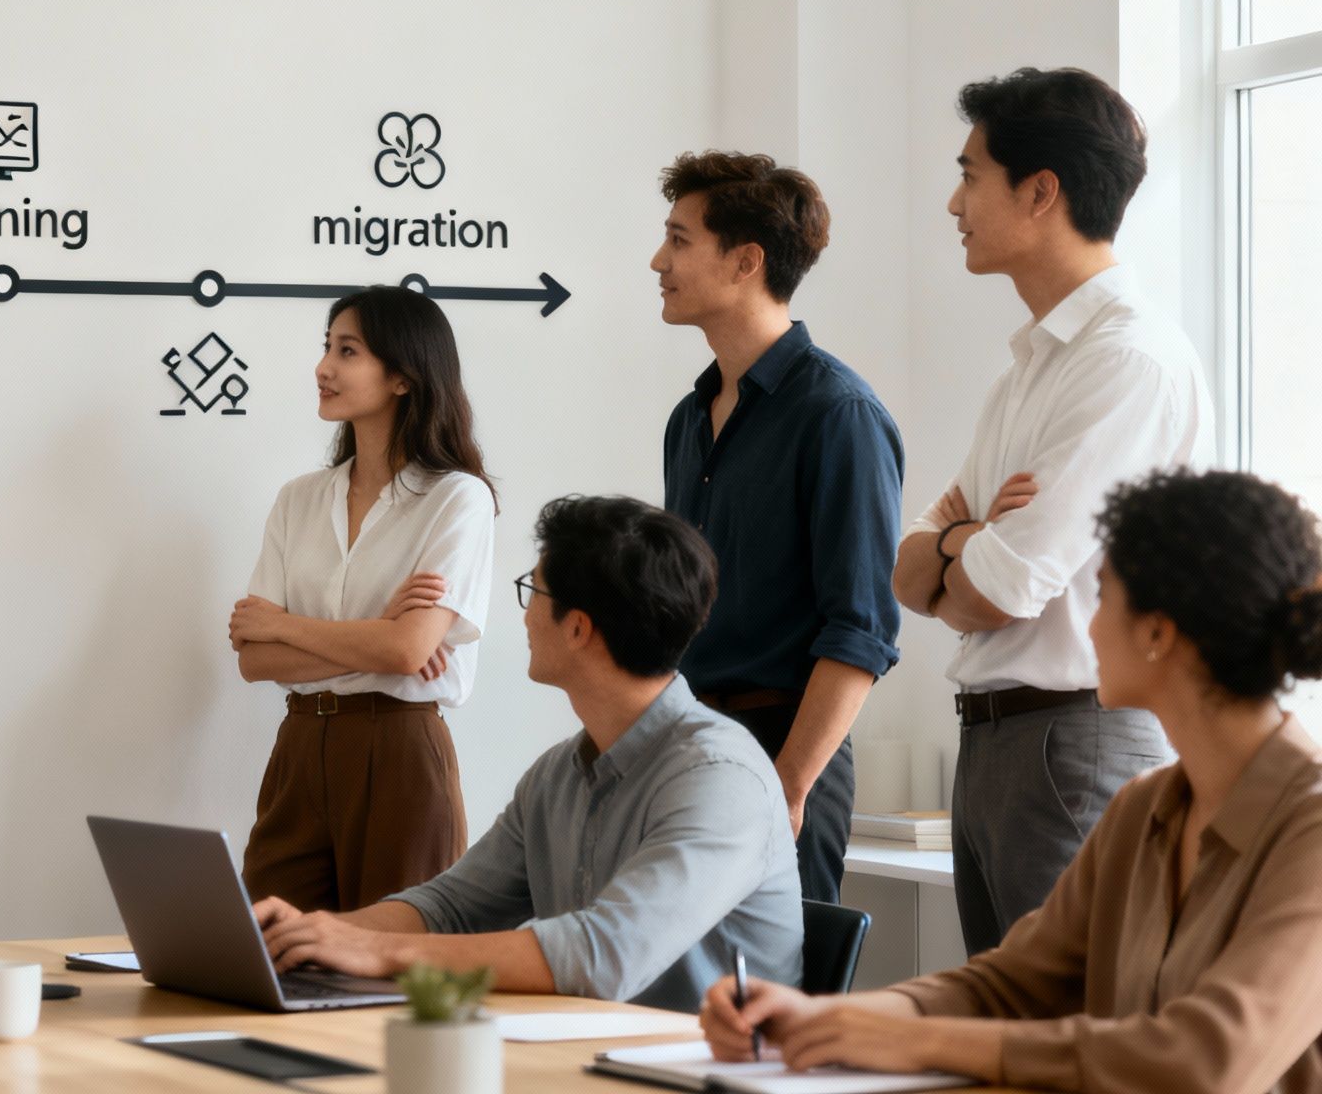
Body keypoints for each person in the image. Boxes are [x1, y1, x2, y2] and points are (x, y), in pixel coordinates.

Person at [704, 469, 1322, 1093]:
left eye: (1101, 596)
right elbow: (1005, 984)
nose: (1087, 624)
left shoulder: (1312, 830)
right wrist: (829, 1017)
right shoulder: (1143, 810)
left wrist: (913, 1041)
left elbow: (1206, 1059)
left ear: (1159, 632)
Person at [890, 67, 1214, 953]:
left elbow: (996, 590)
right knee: (1001, 1047)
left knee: (1072, 1043)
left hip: (1077, 740)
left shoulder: (1129, 362)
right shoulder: (1028, 368)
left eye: (969, 175)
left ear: (1041, 192)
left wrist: (959, 543)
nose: (953, 203)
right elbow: (908, 573)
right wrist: (964, 541)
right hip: (999, 743)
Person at [253, 495, 802, 1013]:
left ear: (579, 628)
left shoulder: (720, 778)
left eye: (532, 592)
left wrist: (375, 952)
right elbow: (450, 908)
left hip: (702, 1073)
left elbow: (602, 955)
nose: (523, 616)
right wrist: (316, 937)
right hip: (587, 1057)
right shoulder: (558, 775)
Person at [652, 151, 905, 903]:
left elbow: (860, 631)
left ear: (746, 262)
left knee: (784, 1008)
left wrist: (789, 785)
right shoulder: (688, 419)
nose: (657, 260)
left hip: (785, 751)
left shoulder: (838, 414)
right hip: (692, 746)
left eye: (679, 239)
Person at [229, 285, 497, 912]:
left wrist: (284, 625)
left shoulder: (457, 498)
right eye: (327, 347)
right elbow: (254, 661)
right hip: (298, 749)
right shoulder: (299, 499)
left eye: (347, 351)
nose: (324, 367)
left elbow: (406, 653)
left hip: (398, 749)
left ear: (403, 377)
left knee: (387, 975)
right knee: (265, 956)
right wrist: (378, 638)